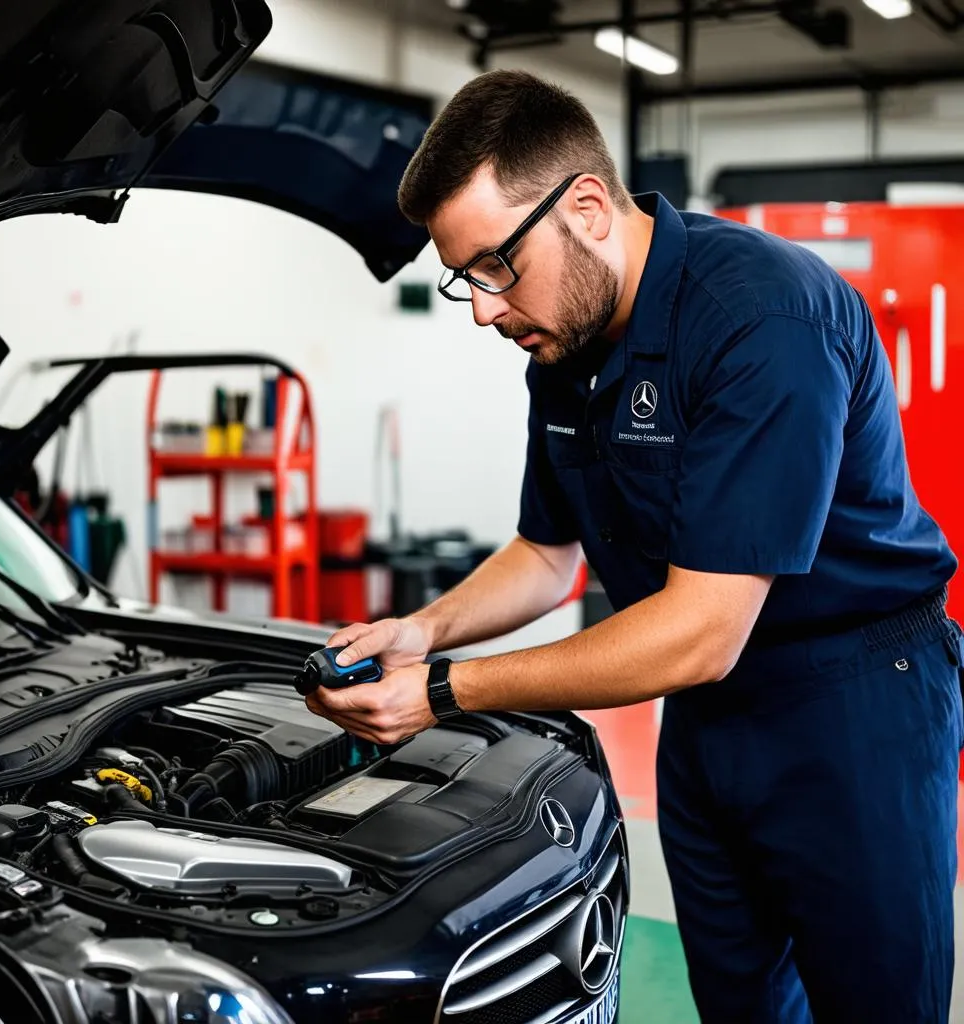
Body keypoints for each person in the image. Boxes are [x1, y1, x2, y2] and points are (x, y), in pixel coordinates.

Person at [304, 69, 963, 1023]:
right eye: (463, 280)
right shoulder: (562, 346)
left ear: (586, 208)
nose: (485, 308)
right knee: (739, 1001)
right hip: (706, 720)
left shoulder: (763, 319)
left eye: (495, 266)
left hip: (853, 705)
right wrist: (423, 632)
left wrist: (446, 691)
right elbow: (546, 555)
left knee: (873, 1005)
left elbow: (701, 630)